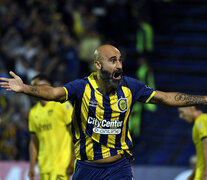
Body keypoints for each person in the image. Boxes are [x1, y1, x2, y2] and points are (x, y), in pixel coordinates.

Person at [1, 44, 207, 180]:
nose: (119, 65)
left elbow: (166, 98)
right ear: (98, 65)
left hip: (119, 167)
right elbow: (54, 93)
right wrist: (25, 88)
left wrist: (204, 99)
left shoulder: (131, 87)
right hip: (87, 168)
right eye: (112, 60)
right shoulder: (82, 87)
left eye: (119, 60)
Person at [27, 74, 74, 180]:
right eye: (34, 87)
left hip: (62, 166)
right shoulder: (33, 112)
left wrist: (74, 159)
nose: (36, 89)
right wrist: (31, 166)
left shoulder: (62, 105)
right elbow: (34, 142)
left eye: (39, 86)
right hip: (44, 168)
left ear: (49, 86)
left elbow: (76, 134)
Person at [178, 106, 207, 180]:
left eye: (182, 112)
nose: (180, 116)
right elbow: (201, 156)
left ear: (192, 108)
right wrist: (192, 175)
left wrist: (205, 174)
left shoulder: (201, 120)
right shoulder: (198, 123)